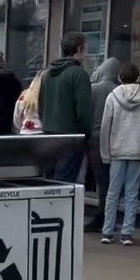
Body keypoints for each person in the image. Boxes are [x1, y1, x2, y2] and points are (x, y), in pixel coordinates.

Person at [100, 64, 140, 245]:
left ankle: (107, 231)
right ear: (137, 77)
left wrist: (105, 152)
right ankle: (127, 233)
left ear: (119, 77)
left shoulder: (112, 96)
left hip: (117, 148)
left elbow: (106, 126)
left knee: (112, 192)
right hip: (137, 149)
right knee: (132, 193)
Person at [38, 31, 93, 180]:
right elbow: (84, 111)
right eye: (85, 49)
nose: (86, 54)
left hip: (48, 136)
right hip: (71, 139)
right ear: (79, 49)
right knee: (65, 184)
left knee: (50, 184)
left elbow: (41, 107)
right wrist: (85, 134)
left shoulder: (47, 75)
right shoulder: (78, 74)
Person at [85, 57, 120, 231]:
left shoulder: (92, 89)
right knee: (112, 180)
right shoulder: (118, 91)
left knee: (101, 179)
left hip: (94, 139)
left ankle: (102, 217)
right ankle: (109, 217)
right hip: (115, 140)